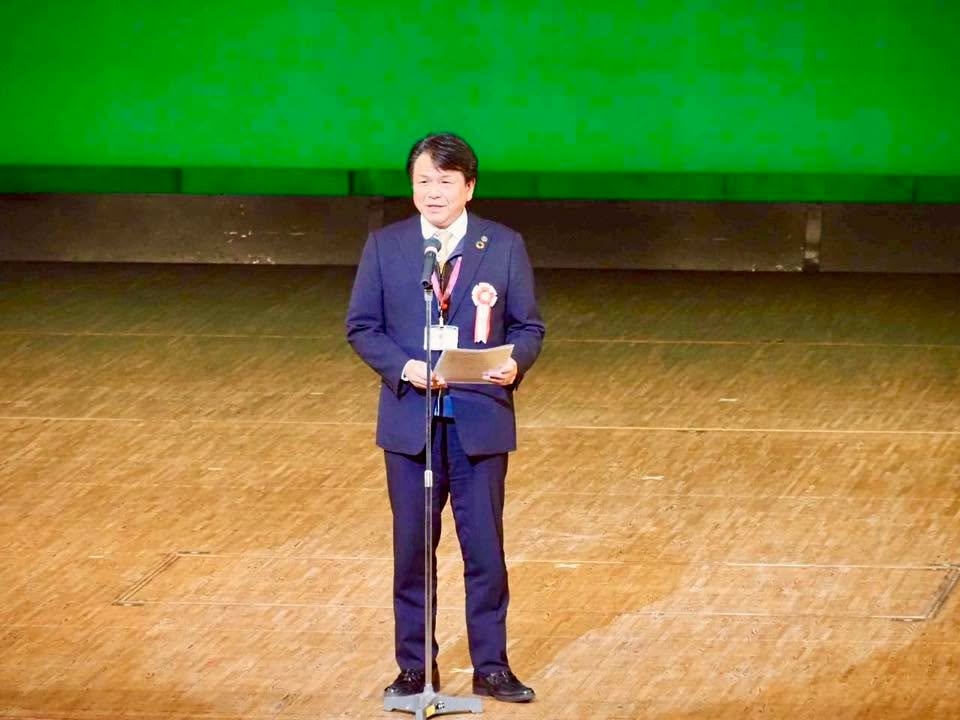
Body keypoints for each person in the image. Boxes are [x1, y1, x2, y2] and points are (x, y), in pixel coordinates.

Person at [345, 132, 545, 703]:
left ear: (469, 187)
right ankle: (415, 669)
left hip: (478, 421)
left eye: (445, 181)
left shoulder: (502, 245)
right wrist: (405, 368)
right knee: (412, 551)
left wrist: (515, 362)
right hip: (412, 424)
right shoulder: (386, 247)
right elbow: (362, 326)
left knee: (484, 552)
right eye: (423, 181)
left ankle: (492, 666)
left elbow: (528, 326)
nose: (433, 191)